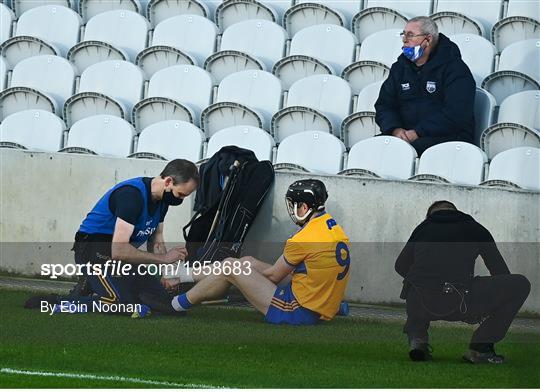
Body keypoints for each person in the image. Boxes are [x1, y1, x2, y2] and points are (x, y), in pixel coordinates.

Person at [27, 159, 199, 316]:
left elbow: (156, 239)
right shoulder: (132, 196)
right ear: (168, 181)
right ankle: (56, 303)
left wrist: (167, 272)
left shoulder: (163, 201)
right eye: (180, 194)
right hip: (94, 250)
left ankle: (93, 287)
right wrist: (164, 258)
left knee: (168, 306)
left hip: (120, 257)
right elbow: (119, 250)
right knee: (118, 302)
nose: (181, 200)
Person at [166, 179, 351, 325]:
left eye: (293, 205)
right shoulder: (333, 228)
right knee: (246, 262)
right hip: (322, 303)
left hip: (297, 311)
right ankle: (181, 275)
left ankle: (175, 304)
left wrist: (238, 279)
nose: (291, 210)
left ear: (303, 207)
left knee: (231, 266)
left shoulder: (303, 238)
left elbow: (272, 277)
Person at [395, 200, 531, 364]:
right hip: (462, 302)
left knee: (416, 284)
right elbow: (500, 272)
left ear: (429, 216)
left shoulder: (422, 229)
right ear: (455, 212)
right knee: (520, 284)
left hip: (421, 303)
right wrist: (488, 303)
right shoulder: (476, 228)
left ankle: (417, 341)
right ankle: (480, 348)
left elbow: (400, 266)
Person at [374, 16, 476, 155]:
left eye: (410, 35)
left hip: (448, 139)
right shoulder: (400, 68)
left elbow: (456, 113)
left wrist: (418, 132)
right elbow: (384, 105)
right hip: (406, 137)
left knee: (399, 153)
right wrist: (395, 130)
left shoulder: (456, 69)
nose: (404, 40)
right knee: (372, 148)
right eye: (403, 35)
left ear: (427, 40)